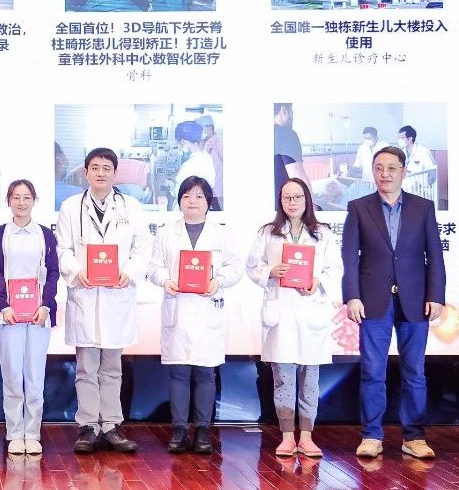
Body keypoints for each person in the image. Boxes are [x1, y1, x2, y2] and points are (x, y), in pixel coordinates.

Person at [342, 146, 445, 460]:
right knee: (373, 371)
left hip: (415, 300)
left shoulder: (423, 207)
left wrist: (436, 295)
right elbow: (349, 257)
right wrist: (352, 295)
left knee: (415, 371)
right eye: (378, 168)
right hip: (373, 300)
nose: (384, 174)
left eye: (391, 168)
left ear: (403, 171)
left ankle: (414, 437)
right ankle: (371, 435)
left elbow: (434, 255)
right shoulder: (358, 208)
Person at [56, 148, 149, 453]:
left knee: (111, 367)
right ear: (85, 172)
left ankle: (111, 425)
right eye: (94, 167)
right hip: (85, 294)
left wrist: (129, 272)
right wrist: (76, 271)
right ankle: (87, 426)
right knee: (86, 367)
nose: (100, 173)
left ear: (115, 173)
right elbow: (63, 249)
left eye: (106, 168)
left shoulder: (131, 207)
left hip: (116, 295)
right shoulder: (71, 207)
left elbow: (142, 249)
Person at [245, 177, 341, 458]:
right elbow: (252, 266)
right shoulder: (268, 232)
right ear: (280, 201)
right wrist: (269, 272)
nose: (292, 202)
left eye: (297, 197)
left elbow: (335, 269)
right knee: (283, 380)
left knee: (310, 379)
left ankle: (307, 437)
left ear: (307, 199)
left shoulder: (322, 233)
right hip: (282, 314)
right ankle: (287, 436)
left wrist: (318, 280)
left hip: (311, 311)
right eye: (287, 197)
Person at [148, 176, 242, 454]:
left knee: (205, 373)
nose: (192, 201)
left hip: (207, 309)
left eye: (199, 196)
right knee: (178, 372)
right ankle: (178, 430)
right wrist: (165, 280)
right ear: (179, 201)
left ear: (208, 202)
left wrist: (218, 280)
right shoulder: (166, 233)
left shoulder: (222, 234)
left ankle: (202, 431)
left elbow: (235, 267)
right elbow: (153, 267)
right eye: (187, 196)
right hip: (177, 308)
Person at [0, 179, 59, 454]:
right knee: (13, 374)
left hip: (39, 315)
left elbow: (52, 273)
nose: (21, 202)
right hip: (8, 315)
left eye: (26, 197)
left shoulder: (45, 235)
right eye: (16, 197)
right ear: (8, 201)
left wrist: (46, 305)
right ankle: (15, 432)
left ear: (34, 200)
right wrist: (4, 305)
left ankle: (33, 432)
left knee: (35, 374)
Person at [171, 120, 215, 208]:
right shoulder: (207, 158)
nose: (179, 147)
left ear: (183, 142)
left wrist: (171, 186)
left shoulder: (188, 165)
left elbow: (177, 192)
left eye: (179, 143)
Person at [273, 103, 309, 207]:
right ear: (283, 110)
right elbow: (298, 178)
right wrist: (312, 207)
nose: (292, 117)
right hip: (281, 206)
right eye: (291, 112)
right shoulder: (286, 134)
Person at [199, 115, 224, 207]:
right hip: (206, 188)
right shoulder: (203, 143)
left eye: (201, 128)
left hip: (218, 189)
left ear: (209, 127)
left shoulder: (219, 142)